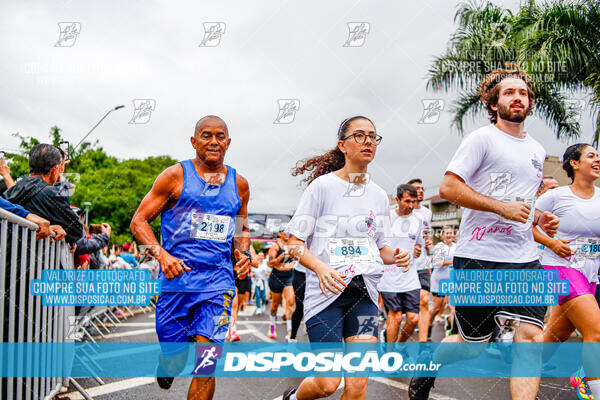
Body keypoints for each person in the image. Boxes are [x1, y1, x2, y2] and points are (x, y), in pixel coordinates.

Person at [409, 66, 559, 400]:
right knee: (470, 347)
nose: (517, 97)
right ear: (493, 104)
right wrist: (501, 208)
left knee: (531, 339)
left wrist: (537, 219)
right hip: (479, 257)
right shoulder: (482, 139)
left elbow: (522, 201)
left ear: (530, 102)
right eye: (509, 93)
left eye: (523, 93)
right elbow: (449, 186)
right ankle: (429, 364)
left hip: (523, 259)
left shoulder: (536, 149)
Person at [281, 116, 410, 400]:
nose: (368, 141)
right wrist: (321, 268)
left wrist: (397, 256)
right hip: (326, 294)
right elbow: (293, 243)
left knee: (357, 385)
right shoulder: (322, 188)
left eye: (373, 136)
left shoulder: (378, 196)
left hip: (363, 295)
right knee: (328, 384)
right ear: (343, 146)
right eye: (359, 135)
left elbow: (381, 248)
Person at [129, 115, 251, 400]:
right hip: (177, 281)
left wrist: (243, 252)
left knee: (207, 364)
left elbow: (242, 224)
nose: (213, 141)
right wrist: (161, 256)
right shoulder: (175, 176)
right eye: (206, 135)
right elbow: (138, 222)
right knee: (177, 357)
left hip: (218, 282)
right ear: (194, 141)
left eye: (220, 136)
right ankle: (168, 363)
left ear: (228, 143)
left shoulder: (240, 184)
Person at [533, 143, 600, 398]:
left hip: (590, 273)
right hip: (560, 268)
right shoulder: (555, 196)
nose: (597, 160)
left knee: (554, 337)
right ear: (574, 163)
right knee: (596, 330)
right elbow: (526, 227)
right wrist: (551, 242)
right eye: (591, 156)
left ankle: (523, 367)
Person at [3, 144, 83, 244]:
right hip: (31, 257)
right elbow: (76, 231)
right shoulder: (50, 193)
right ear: (55, 170)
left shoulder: (13, 189)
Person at [378, 184, 423, 350]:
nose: (411, 206)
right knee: (395, 317)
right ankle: (390, 354)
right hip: (388, 275)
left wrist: (417, 250)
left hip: (409, 276)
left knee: (413, 319)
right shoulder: (386, 219)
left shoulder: (418, 221)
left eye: (414, 201)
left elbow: (417, 245)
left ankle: (398, 345)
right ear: (397, 200)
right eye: (407, 201)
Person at [408, 178, 434, 342]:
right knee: (408, 316)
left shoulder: (427, 213)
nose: (421, 191)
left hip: (423, 263)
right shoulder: (402, 212)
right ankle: (398, 342)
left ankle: (423, 344)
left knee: (424, 301)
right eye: (417, 188)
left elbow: (426, 233)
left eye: (422, 188)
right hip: (405, 265)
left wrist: (428, 241)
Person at [267, 230, 296, 340]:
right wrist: (280, 258)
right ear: (280, 233)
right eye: (285, 232)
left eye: (289, 231)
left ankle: (290, 331)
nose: (287, 234)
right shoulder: (275, 246)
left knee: (291, 301)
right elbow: (269, 263)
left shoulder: (294, 246)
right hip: (277, 276)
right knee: (275, 304)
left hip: (290, 276)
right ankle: (272, 325)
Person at [428, 226, 455, 336]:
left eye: (451, 233)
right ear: (443, 235)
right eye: (447, 233)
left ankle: (452, 331)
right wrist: (452, 262)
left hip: (451, 280)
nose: (449, 235)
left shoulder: (456, 246)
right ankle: (427, 326)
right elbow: (436, 263)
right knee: (437, 307)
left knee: (453, 307)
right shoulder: (439, 246)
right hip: (439, 280)